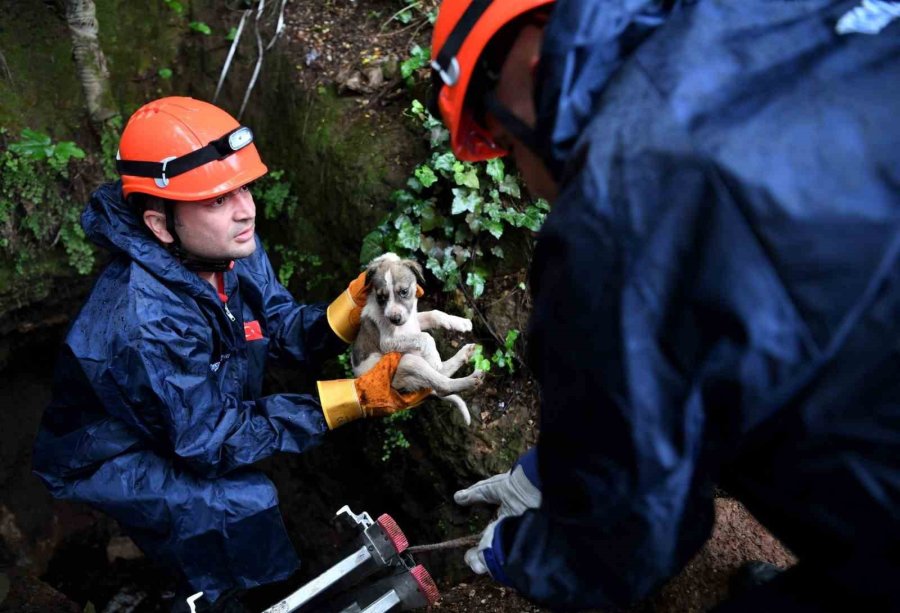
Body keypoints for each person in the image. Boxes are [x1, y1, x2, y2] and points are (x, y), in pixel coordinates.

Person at [430, 0, 900, 610]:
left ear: (529, 62)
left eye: (494, 135)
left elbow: (617, 547)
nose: (512, 164)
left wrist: (519, 551)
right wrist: (566, 463)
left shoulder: (615, 210)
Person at [31, 97, 429, 611]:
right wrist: (354, 396)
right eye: (217, 199)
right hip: (109, 452)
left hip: (188, 413)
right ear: (158, 223)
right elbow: (208, 440)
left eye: (242, 187)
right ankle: (211, 598)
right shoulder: (142, 321)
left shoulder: (223, 246)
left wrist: (355, 305)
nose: (246, 209)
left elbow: (278, 326)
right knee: (236, 504)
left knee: (240, 499)